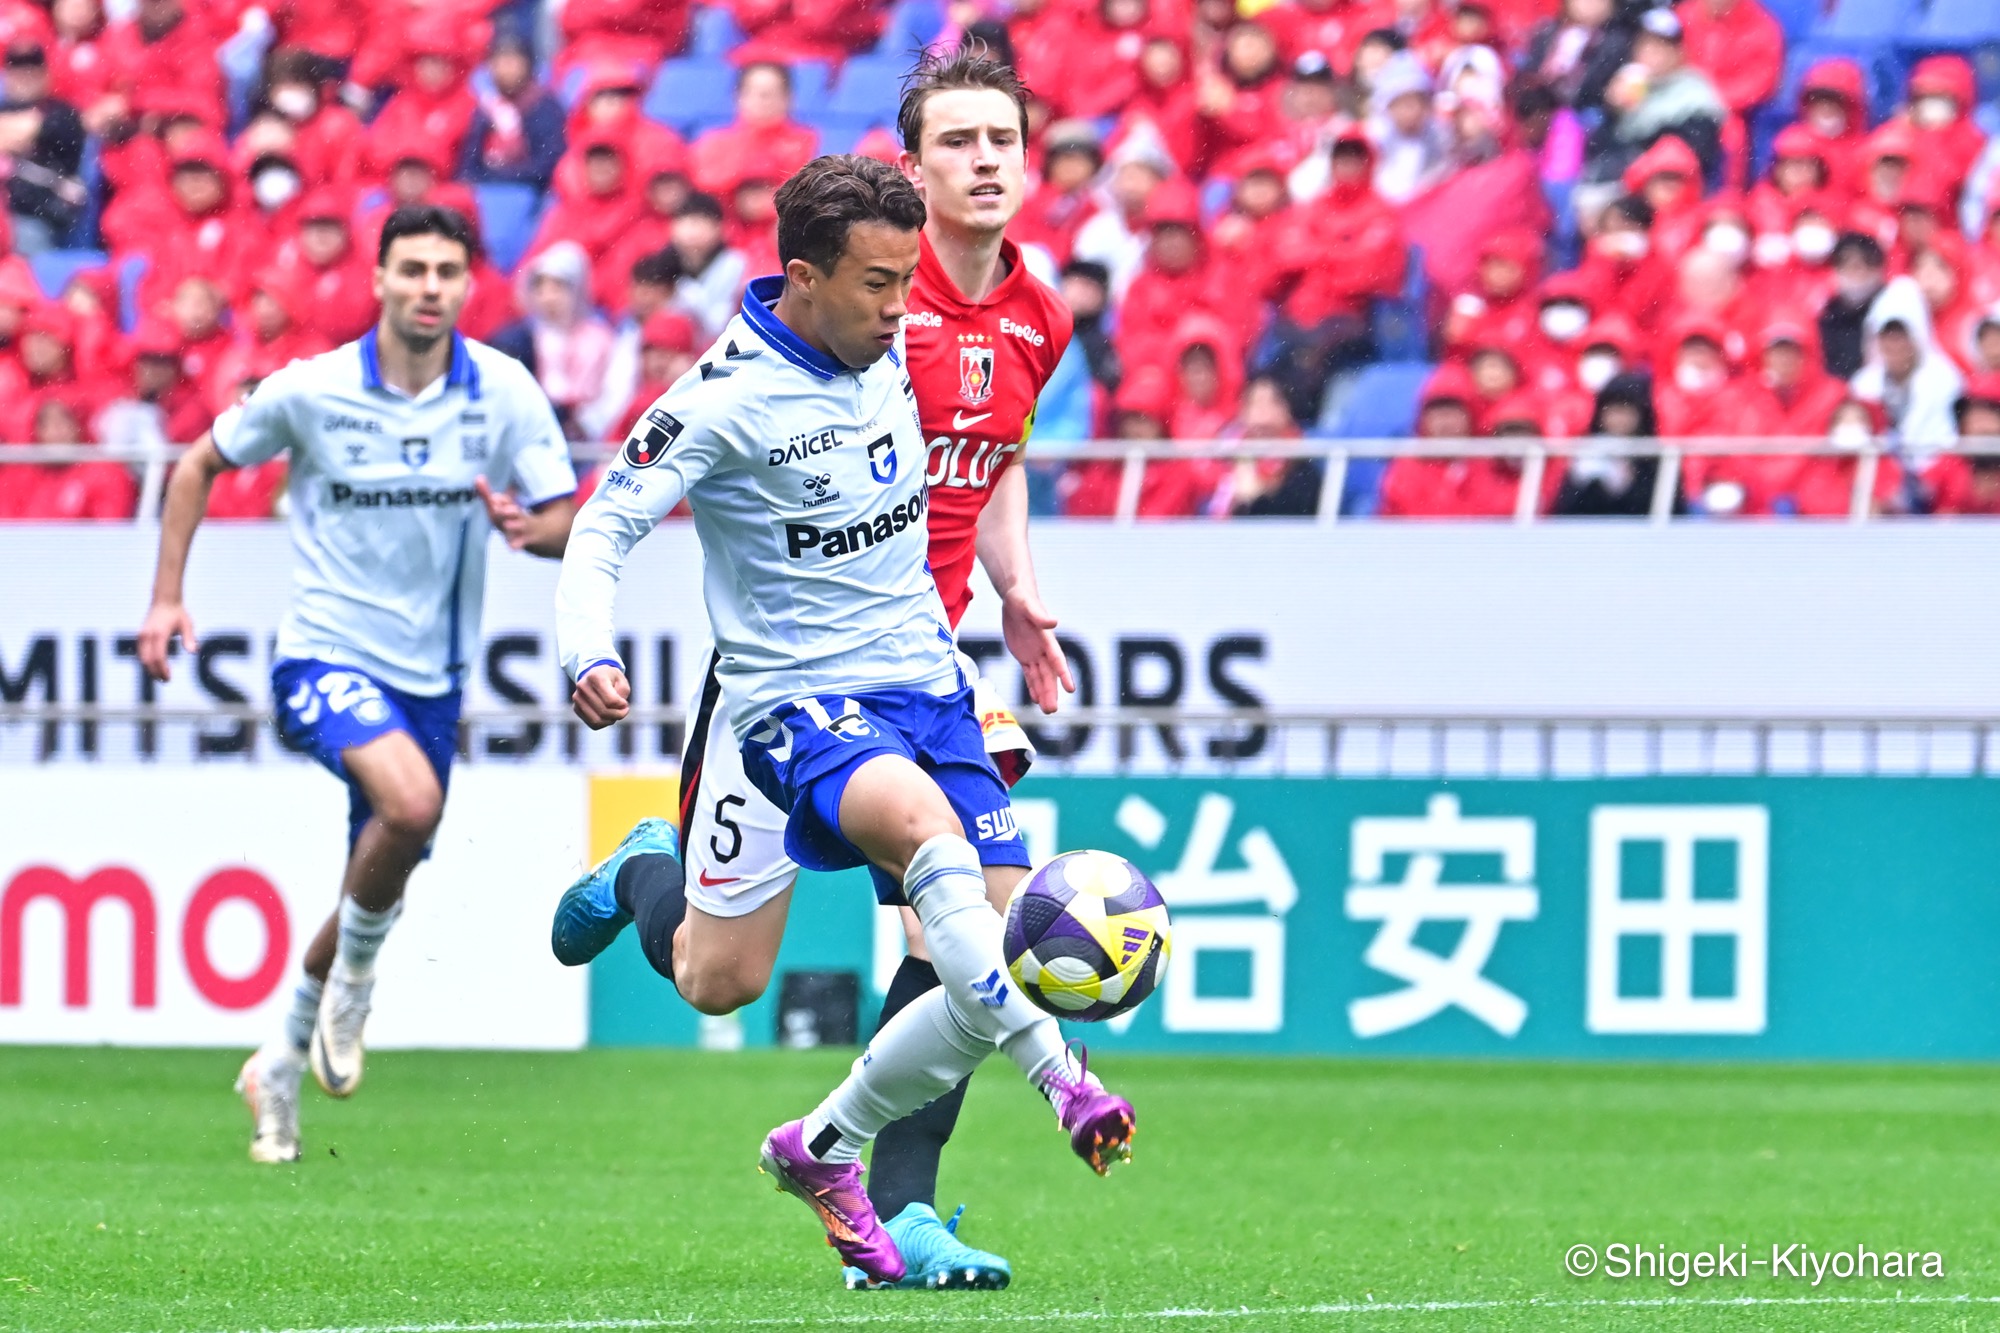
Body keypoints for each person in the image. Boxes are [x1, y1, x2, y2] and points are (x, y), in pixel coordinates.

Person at [552, 50, 1094, 1291]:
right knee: (715, 976)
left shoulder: (1012, 322)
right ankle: (643, 868)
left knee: (969, 916)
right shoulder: (805, 350)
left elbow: (995, 457)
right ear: (910, 170)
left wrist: (1013, 589)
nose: (989, 161)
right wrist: (585, 641)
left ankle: (890, 1197)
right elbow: (615, 515)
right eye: (959, 141)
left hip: (922, 664)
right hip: (781, 690)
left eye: (1004, 138)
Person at [134, 205, 579, 1165]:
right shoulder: (314, 390)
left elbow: (564, 519)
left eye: (447, 272)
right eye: (412, 269)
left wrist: (524, 527)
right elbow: (197, 464)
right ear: (378, 280)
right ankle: (358, 984)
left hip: (434, 681)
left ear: (468, 286)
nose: (429, 287)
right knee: (411, 805)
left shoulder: (501, 392)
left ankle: (280, 1060)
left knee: (376, 869)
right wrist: (167, 600)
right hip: (324, 654)